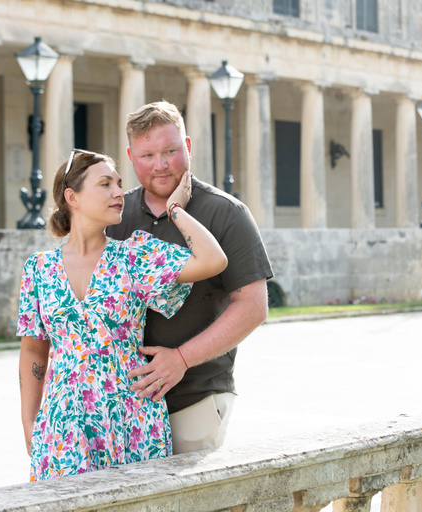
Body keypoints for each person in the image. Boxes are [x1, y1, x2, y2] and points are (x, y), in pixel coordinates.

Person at [17, 150, 227, 481]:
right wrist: (29, 422)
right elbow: (33, 349)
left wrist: (175, 209)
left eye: (118, 183)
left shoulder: (134, 256)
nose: (119, 192)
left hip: (131, 420)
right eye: (105, 184)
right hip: (63, 428)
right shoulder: (39, 269)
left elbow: (213, 260)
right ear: (72, 197)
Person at [106, 101, 274, 454]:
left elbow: (253, 307)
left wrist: (181, 358)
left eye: (171, 150)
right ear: (130, 156)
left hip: (195, 397)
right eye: (148, 154)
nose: (161, 164)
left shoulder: (226, 212)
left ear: (189, 147)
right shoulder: (114, 216)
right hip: (121, 404)